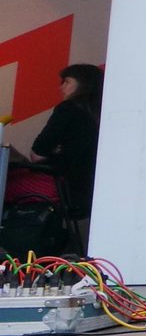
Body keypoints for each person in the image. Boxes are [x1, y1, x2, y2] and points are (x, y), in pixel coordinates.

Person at [27, 64, 104, 250]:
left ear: (82, 85)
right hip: (90, 190)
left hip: (63, 185)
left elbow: (37, 153)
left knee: (7, 183)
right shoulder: (104, 112)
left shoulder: (68, 108)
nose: (61, 87)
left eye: (67, 82)